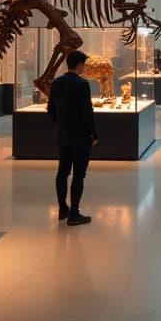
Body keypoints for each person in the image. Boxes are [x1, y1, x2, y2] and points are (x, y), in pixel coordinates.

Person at [47, 50, 97, 226]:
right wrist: (93, 132)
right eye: (84, 65)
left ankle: (62, 208)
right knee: (79, 174)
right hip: (80, 136)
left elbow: (51, 109)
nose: (84, 68)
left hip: (62, 134)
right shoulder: (82, 84)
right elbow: (87, 111)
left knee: (62, 170)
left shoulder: (57, 83)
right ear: (79, 64)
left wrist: (59, 125)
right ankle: (74, 212)